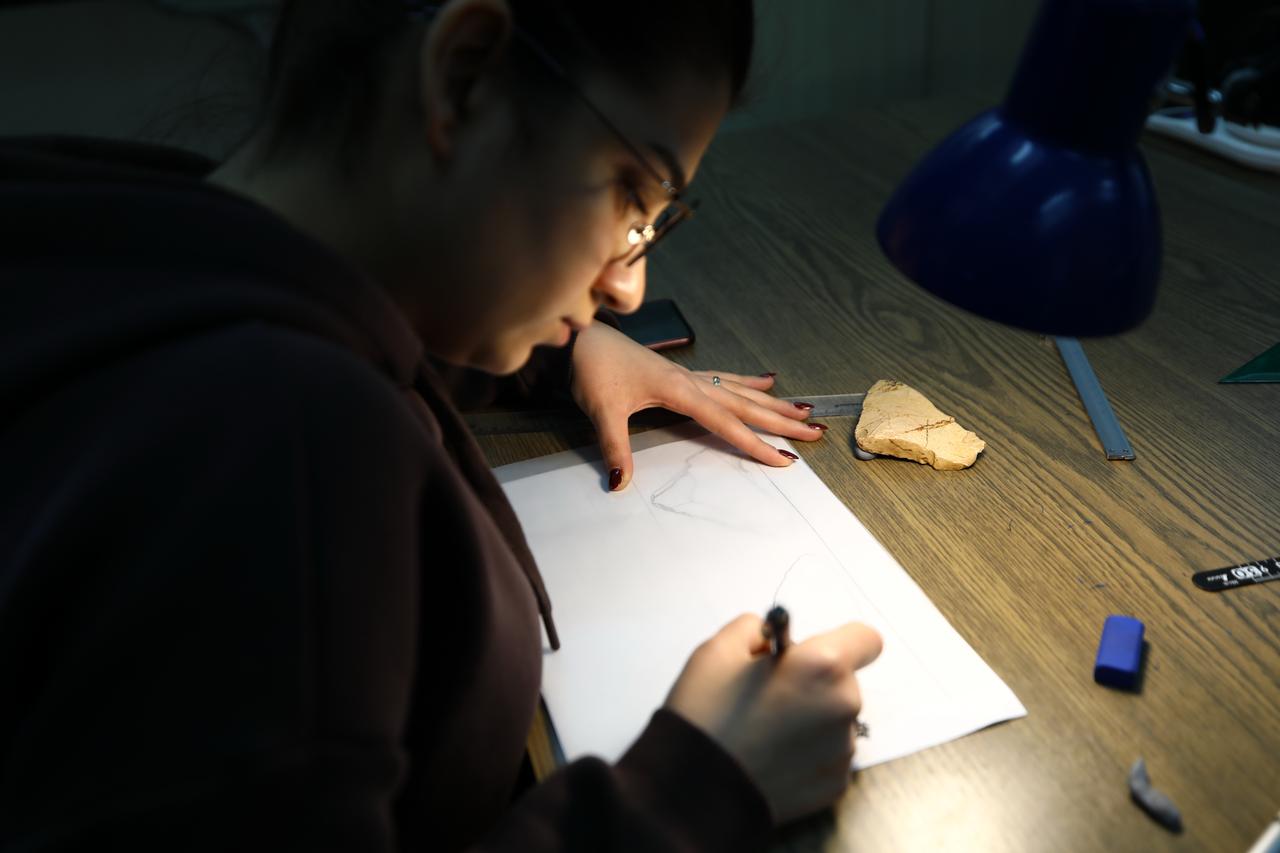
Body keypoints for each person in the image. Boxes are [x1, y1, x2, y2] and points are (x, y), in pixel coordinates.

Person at [0, 0, 883, 850]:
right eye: (628, 194)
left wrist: (561, 346)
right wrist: (693, 788)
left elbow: (324, 304)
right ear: (463, 78)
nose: (627, 286)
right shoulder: (288, 450)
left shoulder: (99, 209)